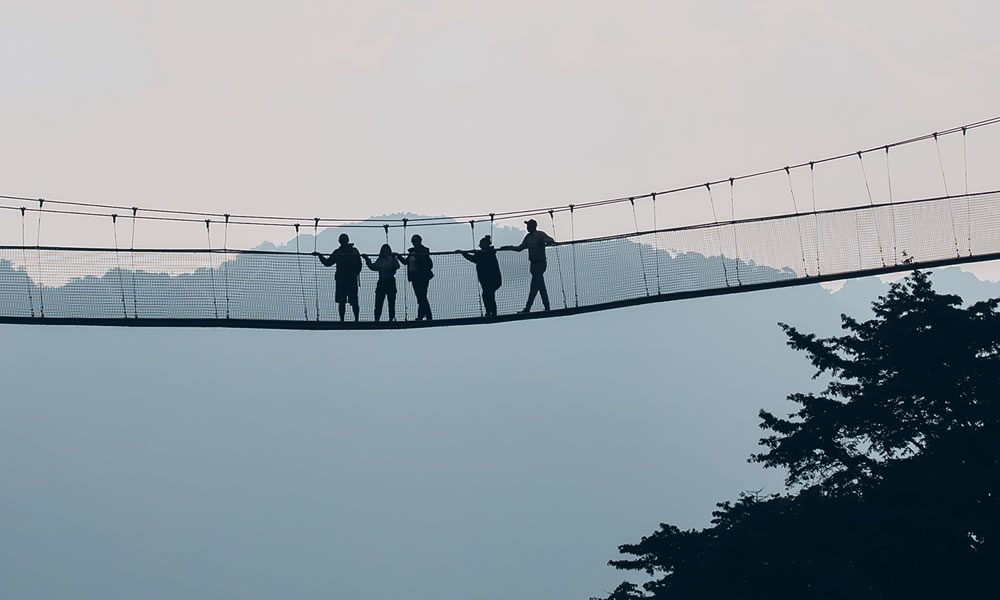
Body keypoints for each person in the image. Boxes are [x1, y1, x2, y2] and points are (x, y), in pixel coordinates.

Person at [501, 218, 556, 313]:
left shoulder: (540, 234)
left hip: (540, 263)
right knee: (535, 287)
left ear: (533, 226)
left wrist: (543, 241)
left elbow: (551, 240)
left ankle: (543, 307)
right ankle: (531, 308)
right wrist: (509, 247)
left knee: (539, 286)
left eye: (528, 226)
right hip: (533, 264)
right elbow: (520, 248)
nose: (527, 228)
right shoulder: (528, 237)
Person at [314, 233, 363, 322]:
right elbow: (327, 262)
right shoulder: (349, 251)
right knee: (345, 301)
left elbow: (328, 262)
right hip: (346, 280)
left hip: (346, 280)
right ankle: (351, 320)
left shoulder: (341, 252)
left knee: (348, 301)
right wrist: (320, 256)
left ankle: (350, 320)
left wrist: (320, 256)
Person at [460, 235, 502, 317]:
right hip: (491, 280)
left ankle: (490, 312)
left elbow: (474, 259)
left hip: (490, 280)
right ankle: (491, 312)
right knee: (489, 295)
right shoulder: (489, 252)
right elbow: (476, 257)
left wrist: (464, 253)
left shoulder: (486, 254)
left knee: (487, 295)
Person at [363, 244, 406, 322]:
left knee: (391, 302)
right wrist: (367, 259)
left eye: (387, 249)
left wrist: (394, 258)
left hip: (390, 281)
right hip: (382, 282)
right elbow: (373, 267)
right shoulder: (380, 259)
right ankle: (377, 319)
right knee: (378, 302)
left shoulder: (391, 258)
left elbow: (397, 266)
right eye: (384, 250)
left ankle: (391, 318)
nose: (385, 251)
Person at [405, 234, 434, 321]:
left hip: (422, 277)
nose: (414, 242)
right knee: (421, 297)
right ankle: (425, 316)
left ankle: (425, 316)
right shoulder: (412, 252)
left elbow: (427, 263)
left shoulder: (423, 251)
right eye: (413, 241)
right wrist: (398, 256)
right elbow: (406, 262)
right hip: (414, 277)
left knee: (422, 297)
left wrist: (416, 256)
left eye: (416, 240)